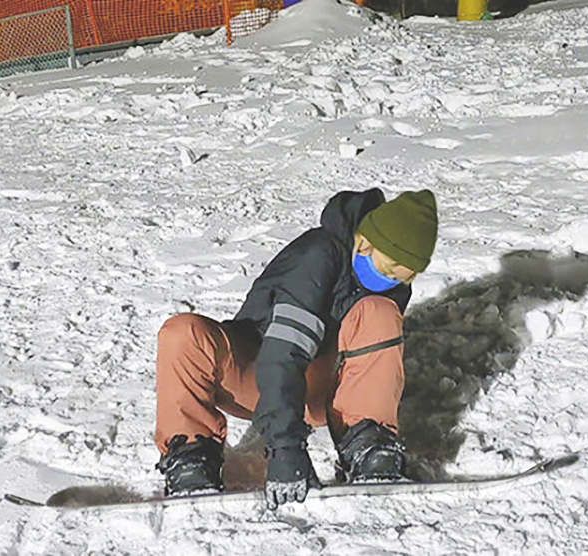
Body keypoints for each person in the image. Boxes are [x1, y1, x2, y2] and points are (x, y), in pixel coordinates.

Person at [154, 187, 438, 509]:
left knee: (380, 312)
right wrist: (286, 449)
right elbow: (283, 352)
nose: (389, 281)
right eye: (386, 269)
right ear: (363, 242)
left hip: (328, 393)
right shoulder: (318, 256)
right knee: (183, 333)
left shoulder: (391, 284)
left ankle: (369, 445)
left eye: (402, 276)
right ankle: (191, 456)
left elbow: (371, 353)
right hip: (262, 374)